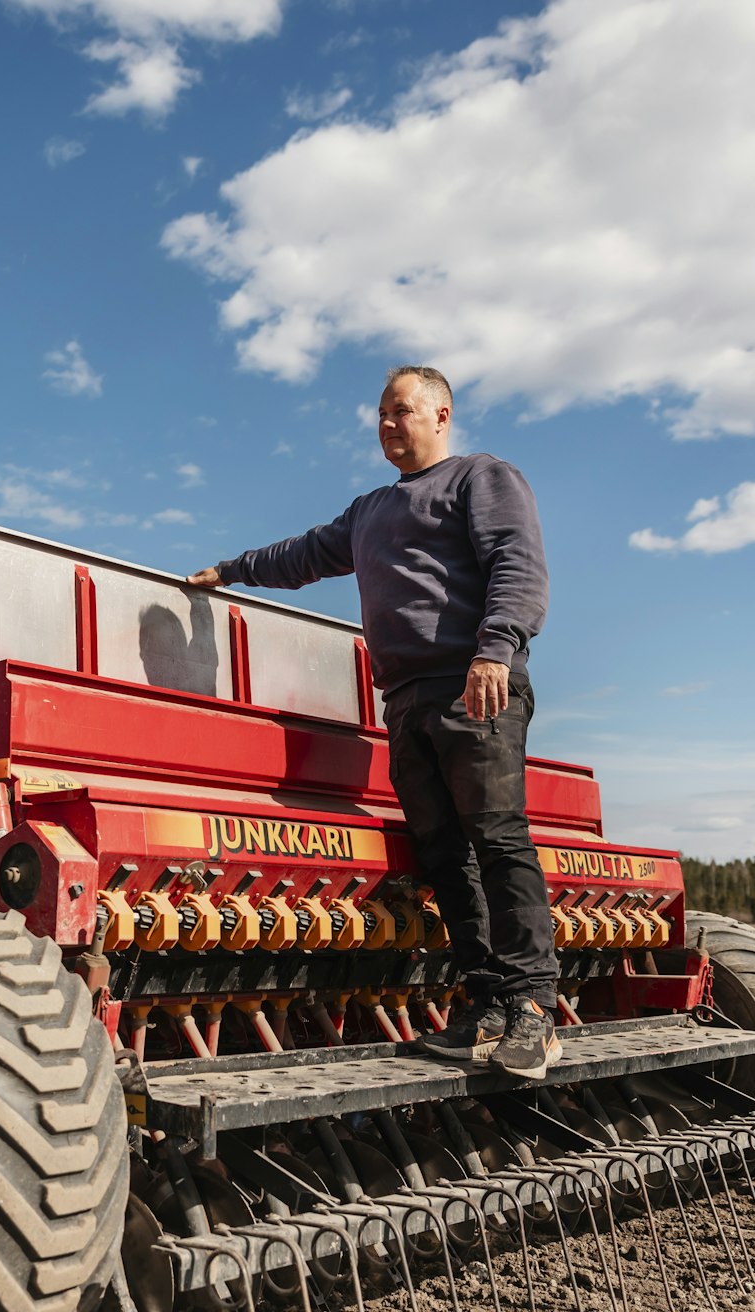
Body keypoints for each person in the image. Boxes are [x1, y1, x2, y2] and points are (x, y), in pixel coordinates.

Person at [187, 365, 560, 1080]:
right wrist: (229, 571)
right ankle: (485, 1005)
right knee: (443, 855)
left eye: (403, 411)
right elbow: (300, 555)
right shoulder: (369, 511)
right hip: (408, 699)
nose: (389, 425)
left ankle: (534, 1010)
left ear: (442, 415)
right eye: (382, 415)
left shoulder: (480, 478)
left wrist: (496, 650)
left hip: (473, 683)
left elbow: (519, 562)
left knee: (498, 838)